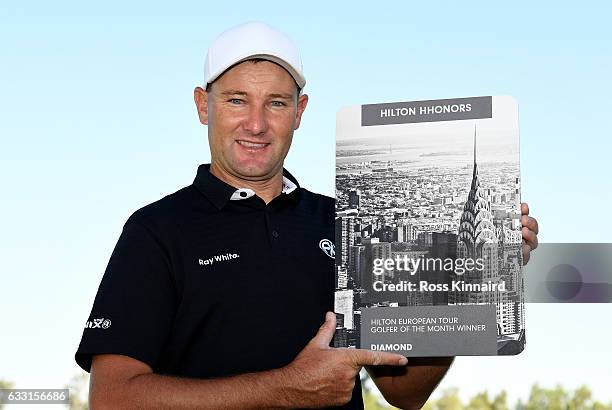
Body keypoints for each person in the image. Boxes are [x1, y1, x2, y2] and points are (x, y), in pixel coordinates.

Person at [75, 22, 539, 409]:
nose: (256, 123)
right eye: (237, 99)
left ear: (299, 112)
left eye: (276, 103)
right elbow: (113, 398)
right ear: (203, 105)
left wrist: (474, 275)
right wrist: (285, 389)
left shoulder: (345, 223)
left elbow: (405, 392)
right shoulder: (157, 229)